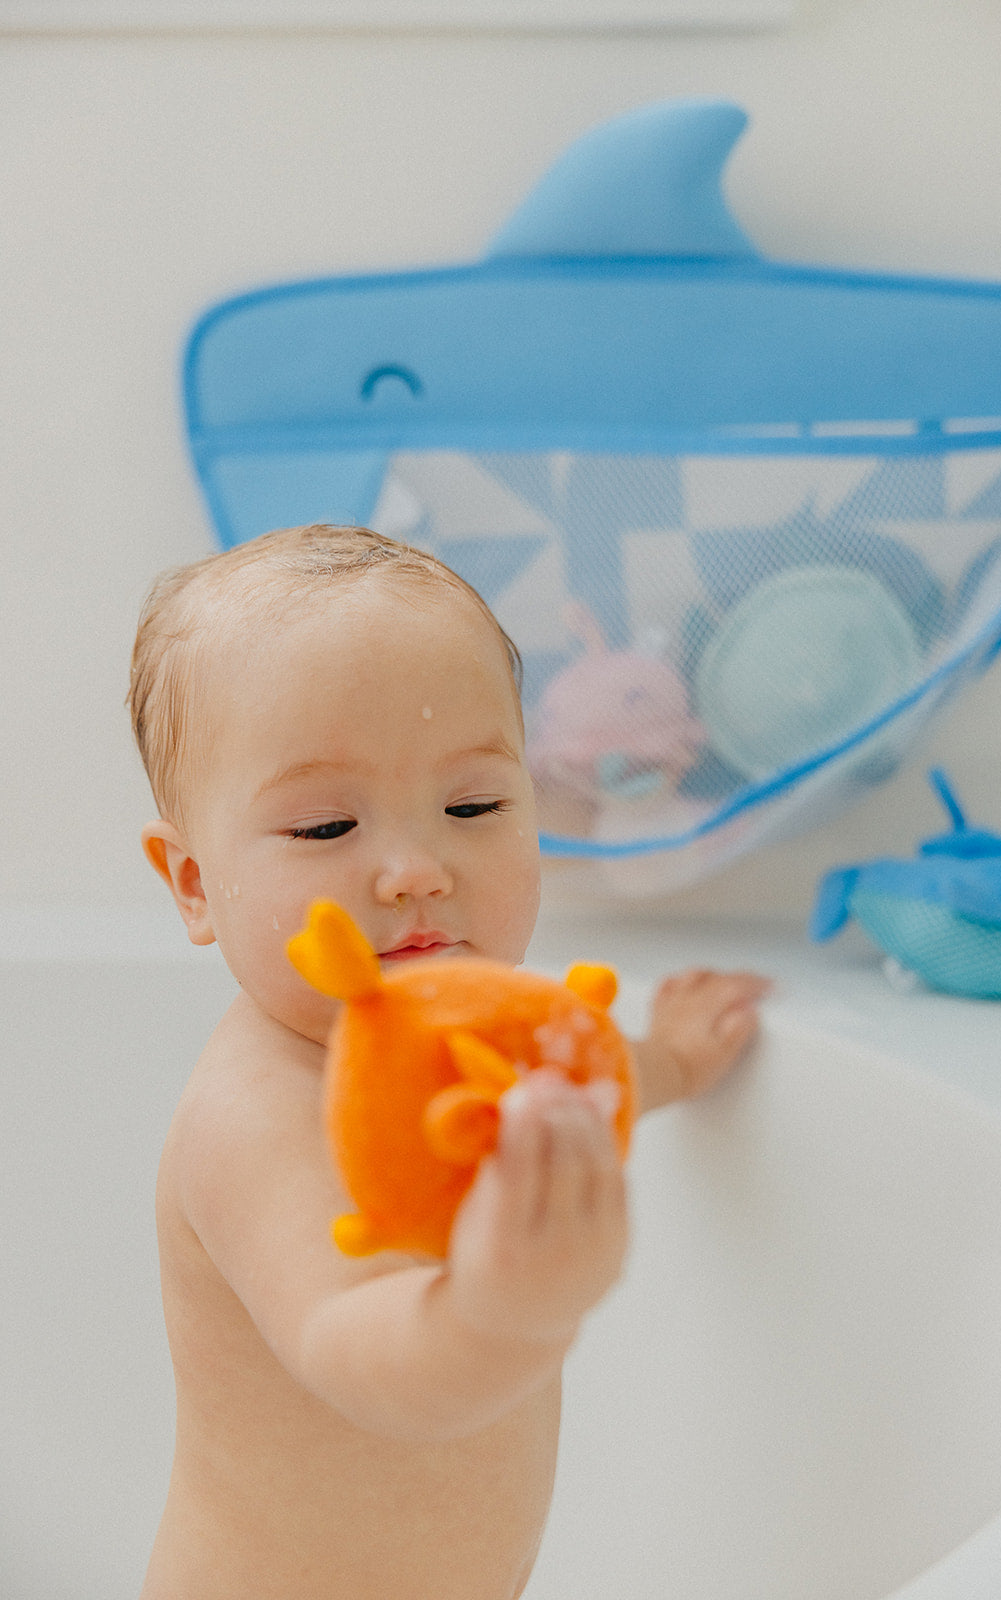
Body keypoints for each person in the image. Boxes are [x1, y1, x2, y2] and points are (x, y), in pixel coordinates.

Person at [129, 523, 768, 1600]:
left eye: (472, 805)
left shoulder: (470, 1017)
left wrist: (670, 1062)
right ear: (193, 881)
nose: (417, 868)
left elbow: (573, 1085)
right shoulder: (261, 1113)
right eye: (327, 825)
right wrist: (496, 1314)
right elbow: (351, 1348)